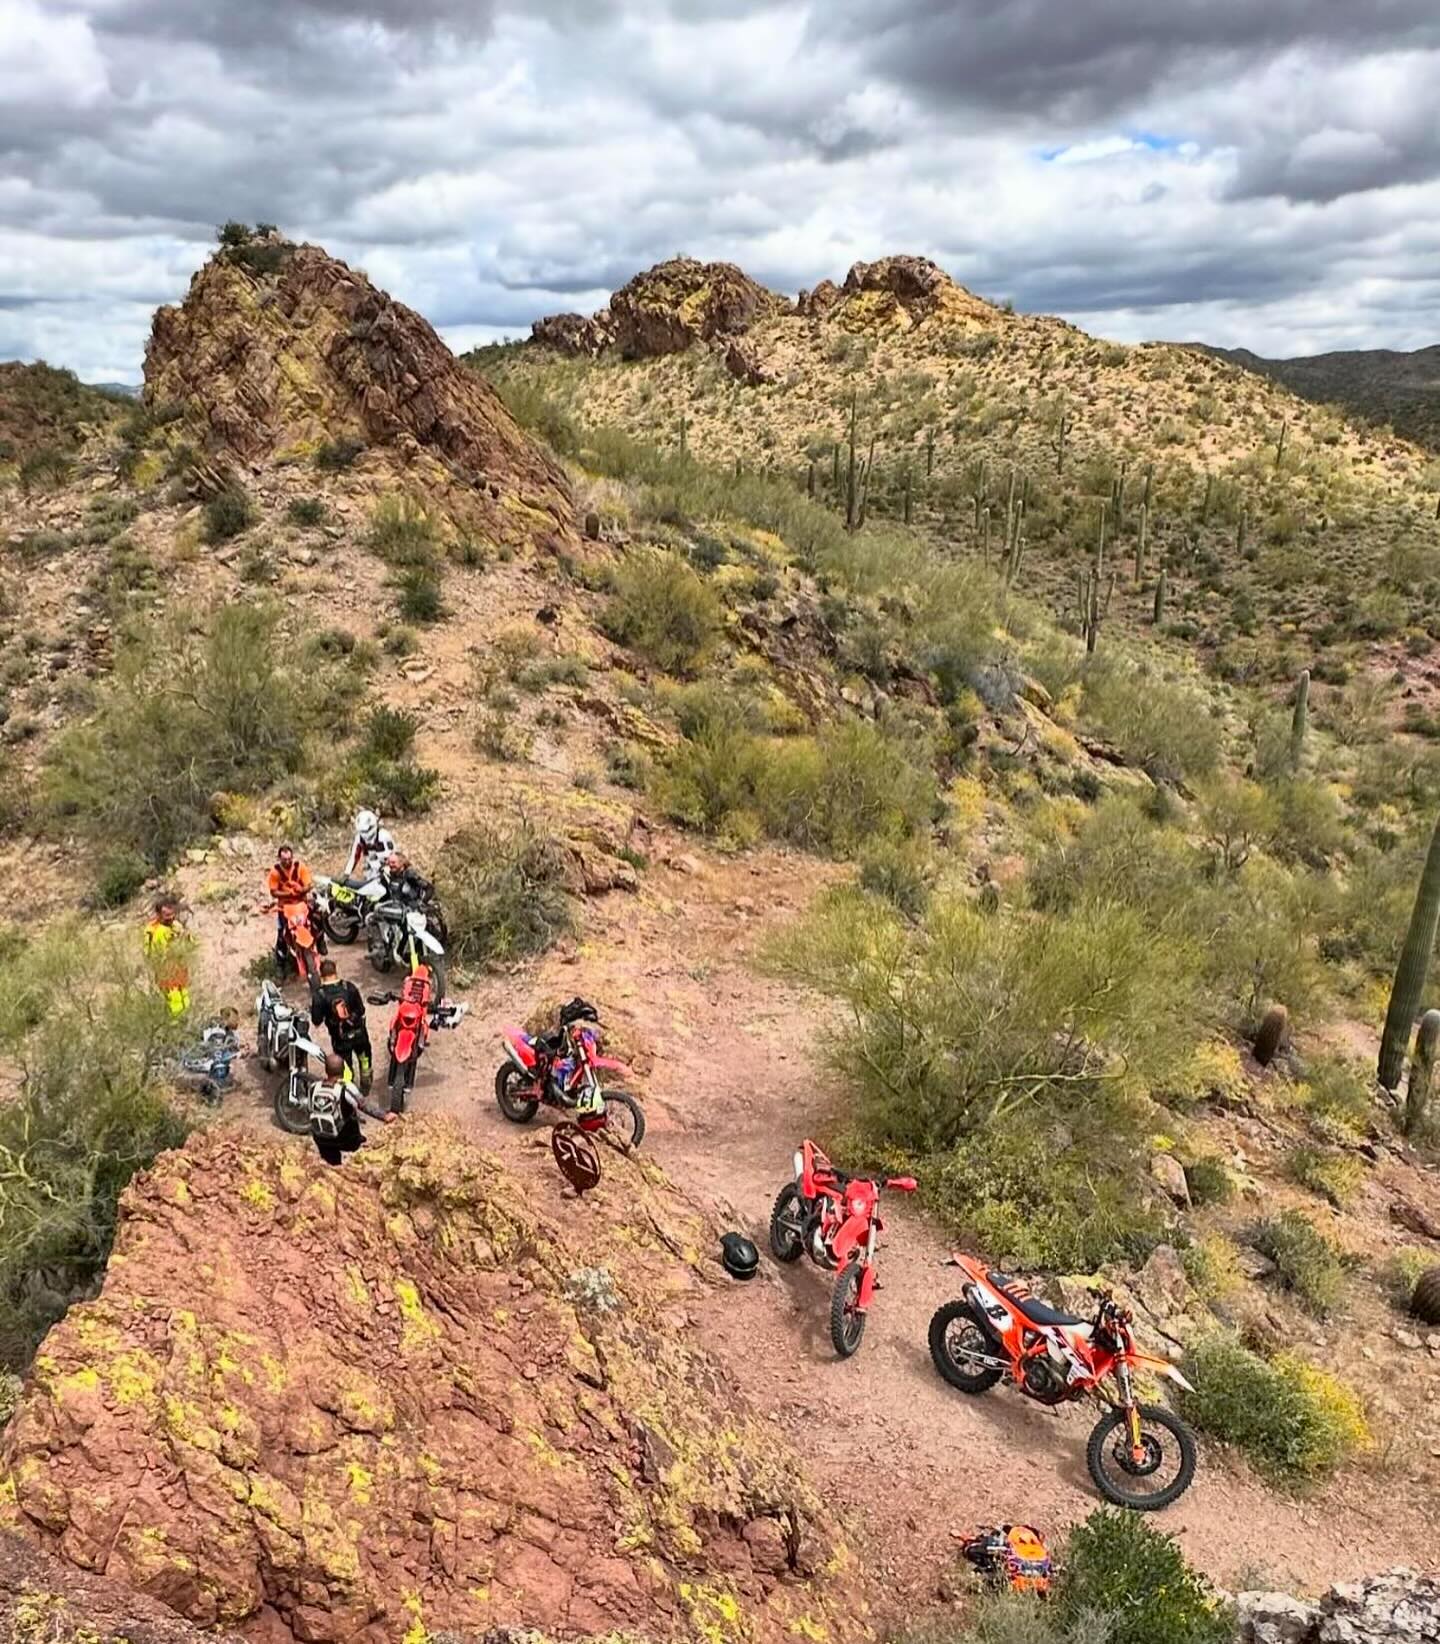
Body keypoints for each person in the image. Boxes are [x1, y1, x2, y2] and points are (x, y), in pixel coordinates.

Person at [308, 1052, 396, 1166]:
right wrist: (384, 1116)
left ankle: (334, 1164)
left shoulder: (314, 1087)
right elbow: (364, 1105)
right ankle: (357, 1146)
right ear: (344, 1070)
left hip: (321, 1139)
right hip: (345, 1139)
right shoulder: (346, 1088)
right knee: (352, 1116)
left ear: (326, 1070)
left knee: (332, 1161)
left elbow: (310, 1109)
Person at [309, 958, 373, 1092]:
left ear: (322, 975)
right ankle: (366, 1081)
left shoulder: (320, 995)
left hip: (340, 1038)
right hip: (359, 1033)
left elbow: (316, 1020)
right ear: (335, 971)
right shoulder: (349, 987)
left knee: (345, 1067)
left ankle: (349, 1091)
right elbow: (361, 1010)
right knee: (364, 1058)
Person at [266, 844, 322, 967]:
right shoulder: (275, 872)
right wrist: (288, 893)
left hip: (301, 905)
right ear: (279, 859)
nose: (287, 862)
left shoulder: (300, 867)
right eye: (284, 860)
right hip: (285, 908)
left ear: (292, 857)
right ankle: (281, 964)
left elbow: (308, 884)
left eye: (289, 859)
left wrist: (301, 890)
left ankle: (321, 943)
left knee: (318, 920)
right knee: (281, 934)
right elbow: (273, 891)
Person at [143, 897, 191, 1017]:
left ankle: (187, 1021)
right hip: (167, 971)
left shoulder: (177, 926)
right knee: (174, 1002)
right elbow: (160, 954)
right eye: (166, 915)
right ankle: (177, 1026)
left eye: (172, 914)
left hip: (179, 968)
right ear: (159, 915)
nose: (170, 917)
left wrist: (186, 937)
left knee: (185, 998)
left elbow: (190, 943)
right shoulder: (158, 932)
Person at [342, 808, 396, 882]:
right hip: (370, 869)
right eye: (362, 831)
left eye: (367, 830)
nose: (365, 834)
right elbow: (354, 857)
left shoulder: (384, 836)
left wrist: (385, 869)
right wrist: (346, 874)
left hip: (387, 868)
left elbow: (392, 856)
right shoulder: (359, 838)